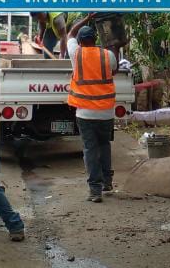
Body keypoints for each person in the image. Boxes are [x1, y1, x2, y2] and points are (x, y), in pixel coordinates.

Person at [65, 15, 118, 202]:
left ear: (80, 41)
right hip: (106, 111)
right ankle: (107, 182)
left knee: (89, 149)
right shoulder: (107, 55)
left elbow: (69, 33)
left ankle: (95, 190)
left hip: (85, 112)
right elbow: (115, 68)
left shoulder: (75, 54)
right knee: (104, 145)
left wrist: (87, 17)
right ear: (95, 40)